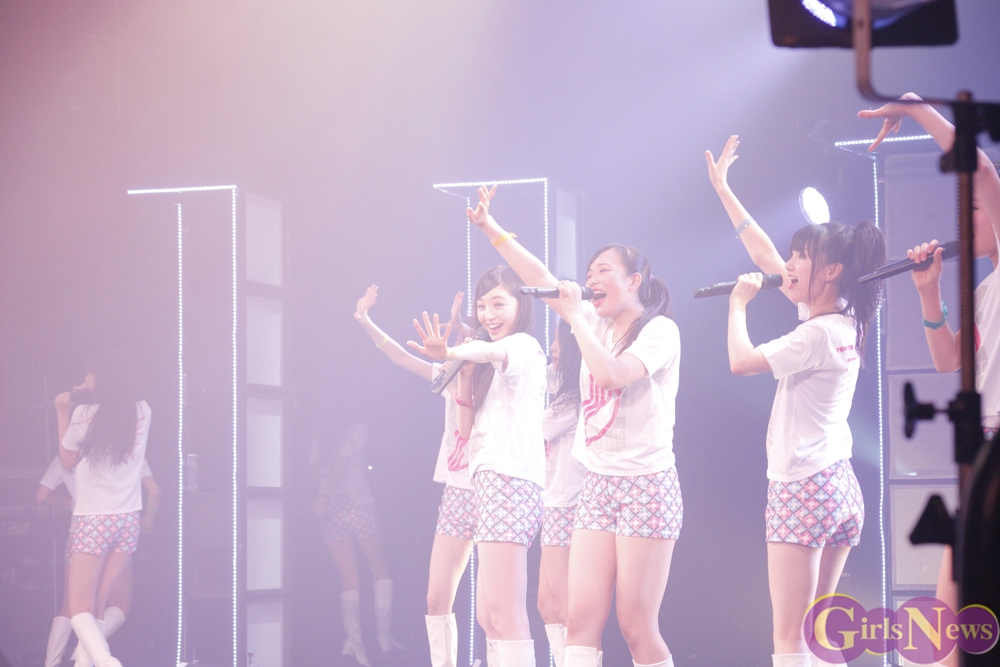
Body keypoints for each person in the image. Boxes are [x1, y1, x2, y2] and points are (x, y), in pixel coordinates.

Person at [465, 185, 682, 667]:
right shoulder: (594, 321)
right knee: (579, 620)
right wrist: (489, 227)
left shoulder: (659, 331)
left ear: (635, 280)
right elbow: (538, 275)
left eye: (604, 271)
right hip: (598, 485)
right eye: (588, 274)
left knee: (635, 625)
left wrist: (576, 319)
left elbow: (612, 374)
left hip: (647, 483)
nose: (591, 280)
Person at [706, 135, 886, 667]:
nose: (786, 265)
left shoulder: (814, 334)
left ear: (830, 270)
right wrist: (724, 190)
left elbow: (741, 362)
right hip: (837, 485)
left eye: (799, 257)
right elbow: (765, 254)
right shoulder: (846, 315)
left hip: (803, 485)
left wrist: (738, 305)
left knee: (789, 637)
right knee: (817, 632)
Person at [860, 94, 1000, 667]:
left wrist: (917, 109)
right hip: (984, 450)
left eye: (975, 209)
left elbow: (981, 169)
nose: (964, 219)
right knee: (952, 617)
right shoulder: (987, 289)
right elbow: (948, 360)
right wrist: (928, 290)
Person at [408, 265, 547, 667]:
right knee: (488, 616)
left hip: (510, 482)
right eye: (482, 306)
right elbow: (466, 431)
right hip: (486, 483)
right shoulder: (489, 361)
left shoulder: (524, 346)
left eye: (499, 304)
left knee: (504, 615)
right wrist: (464, 375)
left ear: (521, 305)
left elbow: (490, 350)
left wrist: (452, 352)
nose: (488, 314)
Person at [354, 285, 477, 667]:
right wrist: (365, 320)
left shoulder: (502, 373)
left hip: (496, 487)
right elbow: (399, 357)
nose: (457, 345)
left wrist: (466, 332)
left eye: (465, 341)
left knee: (494, 608)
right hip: (457, 489)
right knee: (435, 599)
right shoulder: (449, 376)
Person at [56, 350, 152, 667]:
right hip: (128, 520)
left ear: (101, 378)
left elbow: (67, 460)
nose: (85, 379)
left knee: (79, 605)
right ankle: (85, 661)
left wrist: (62, 412)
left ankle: (105, 660)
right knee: (99, 603)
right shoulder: (143, 411)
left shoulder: (84, 415)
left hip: (93, 518)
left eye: (90, 373)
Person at [37, 451, 160, 667]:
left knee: (71, 605)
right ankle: (87, 651)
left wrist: (69, 502)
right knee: (117, 604)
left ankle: (53, 663)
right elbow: (155, 491)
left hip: (82, 531)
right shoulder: (131, 453)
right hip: (121, 528)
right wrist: (149, 518)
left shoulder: (70, 458)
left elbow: (41, 496)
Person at [311, 423, 401, 666]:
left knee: (348, 578)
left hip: (330, 511)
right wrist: (324, 495)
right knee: (379, 567)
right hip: (358, 504)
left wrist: (322, 497)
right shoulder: (357, 429)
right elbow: (341, 463)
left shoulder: (320, 434)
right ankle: (383, 637)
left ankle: (354, 640)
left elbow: (315, 471)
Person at [537, 320, 587, 667]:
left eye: (559, 340)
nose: (552, 347)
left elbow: (535, 428)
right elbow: (536, 374)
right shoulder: (564, 384)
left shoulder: (575, 397)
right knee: (547, 604)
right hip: (555, 501)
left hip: (569, 503)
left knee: (567, 606)